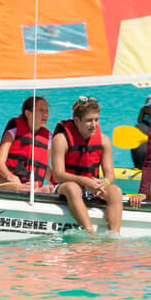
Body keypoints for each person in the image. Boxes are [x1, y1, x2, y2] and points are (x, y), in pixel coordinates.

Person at [49, 96, 130, 235]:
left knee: (115, 191)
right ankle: (89, 233)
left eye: (96, 120)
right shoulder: (61, 140)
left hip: (92, 187)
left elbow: (110, 173)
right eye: (89, 121)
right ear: (76, 120)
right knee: (72, 188)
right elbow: (57, 175)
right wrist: (85, 181)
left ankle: (114, 235)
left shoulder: (103, 140)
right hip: (65, 187)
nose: (94, 125)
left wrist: (104, 183)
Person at [0, 95, 52, 191]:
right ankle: (28, 189)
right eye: (41, 110)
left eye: (47, 111)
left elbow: (44, 166)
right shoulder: (13, 131)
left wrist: (56, 184)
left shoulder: (48, 138)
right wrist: (9, 176)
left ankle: (34, 189)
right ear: (28, 113)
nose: (45, 114)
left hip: (32, 184)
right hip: (6, 180)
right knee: (3, 181)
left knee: (43, 188)